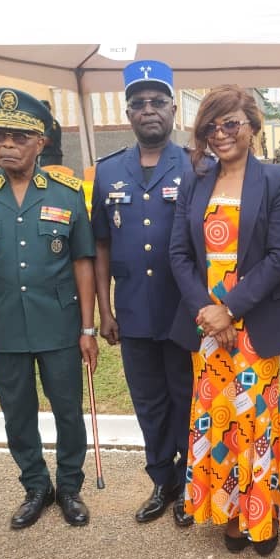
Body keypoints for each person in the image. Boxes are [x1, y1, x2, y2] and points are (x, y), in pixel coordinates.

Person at [169, 84, 280, 555]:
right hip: (207, 326)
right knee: (217, 419)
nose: (221, 134)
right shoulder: (195, 181)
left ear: (252, 126)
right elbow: (179, 254)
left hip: (254, 325)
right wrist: (209, 312)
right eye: (212, 126)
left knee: (256, 421)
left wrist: (232, 309)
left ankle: (261, 516)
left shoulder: (277, 181)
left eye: (231, 124)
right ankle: (227, 513)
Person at [0, 87, 98, 530]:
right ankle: (36, 486)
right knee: (16, 413)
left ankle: (70, 486)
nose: (8, 144)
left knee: (67, 410)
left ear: (40, 142)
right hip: (3, 328)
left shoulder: (67, 193)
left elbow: (83, 263)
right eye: (0, 135)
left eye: (20, 136)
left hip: (59, 323)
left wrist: (88, 328)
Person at [92, 60, 193, 526]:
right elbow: (101, 244)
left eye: (157, 102)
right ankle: (162, 479)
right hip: (133, 311)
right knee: (147, 399)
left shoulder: (195, 165)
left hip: (183, 311)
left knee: (185, 395)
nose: (148, 110)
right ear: (128, 114)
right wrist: (103, 309)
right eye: (139, 104)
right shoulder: (109, 171)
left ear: (173, 109)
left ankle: (191, 481)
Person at [38, 100, 64, 167]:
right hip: (46, 156)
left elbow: (47, 141)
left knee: (48, 176)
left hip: (51, 158)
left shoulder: (51, 123)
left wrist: (34, 140)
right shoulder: (46, 122)